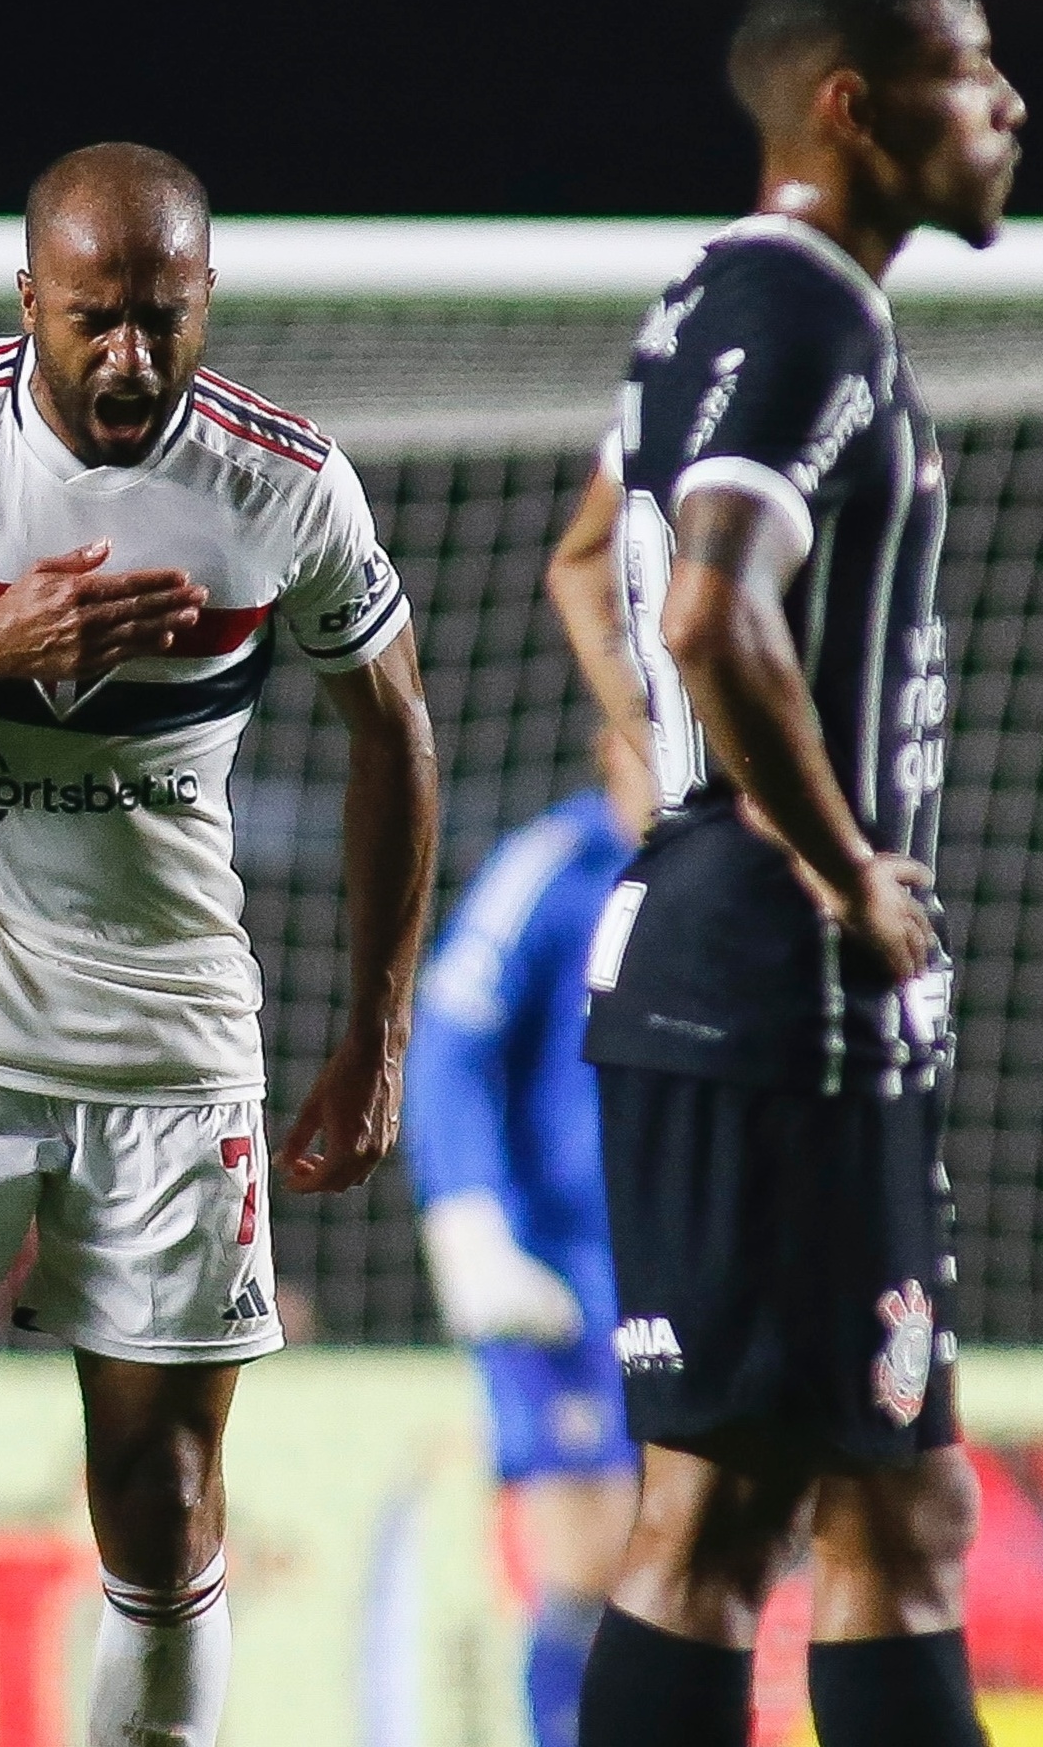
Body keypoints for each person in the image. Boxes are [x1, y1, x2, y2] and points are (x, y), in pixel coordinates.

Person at [0, 142, 438, 1747]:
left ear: (207, 302)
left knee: (162, 1499)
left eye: (164, 319)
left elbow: (395, 733)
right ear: (29, 298)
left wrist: (374, 1034)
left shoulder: (284, 482)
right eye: (97, 318)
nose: (132, 358)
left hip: (171, 1052)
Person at [547, 0, 1025, 1747]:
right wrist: (827, 868)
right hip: (779, 994)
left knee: (888, 1508)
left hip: (751, 980)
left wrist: (671, 779)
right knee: (732, 1525)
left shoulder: (714, 302)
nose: (1006, 107)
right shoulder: (802, 304)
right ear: (854, 103)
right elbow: (702, 610)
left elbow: (591, 558)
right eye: (970, 72)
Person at [404, 720, 651, 1747]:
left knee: (686, 1563)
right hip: (560, 1275)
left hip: (689, 1264)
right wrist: (470, 1222)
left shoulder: (737, 873)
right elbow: (448, 1037)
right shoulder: (552, 865)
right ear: (605, 744)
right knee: (588, 1559)